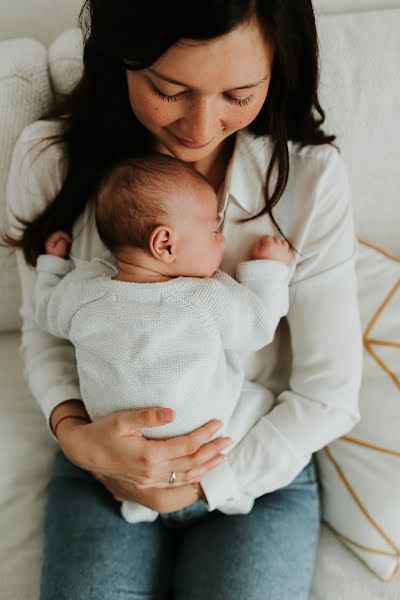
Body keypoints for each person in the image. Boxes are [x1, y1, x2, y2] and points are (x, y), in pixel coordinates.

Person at [5, 1, 363, 598]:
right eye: (170, 91)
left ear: (277, 73)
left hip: (256, 469)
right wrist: (77, 438)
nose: (200, 129)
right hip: (100, 466)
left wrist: (199, 484)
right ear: (122, 56)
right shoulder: (52, 161)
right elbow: (45, 329)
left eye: (238, 94)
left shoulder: (311, 181)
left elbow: (329, 393)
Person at [34, 152, 293, 524]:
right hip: (204, 447)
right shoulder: (203, 296)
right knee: (256, 400)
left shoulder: (84, 290)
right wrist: (269, 271)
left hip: (118, 455)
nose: (221, 238)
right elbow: (258, 326)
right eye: (213, 229)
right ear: (165, 244)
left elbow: (47, 313)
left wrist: (53, 266)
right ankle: (231, 492)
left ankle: (137, 503)